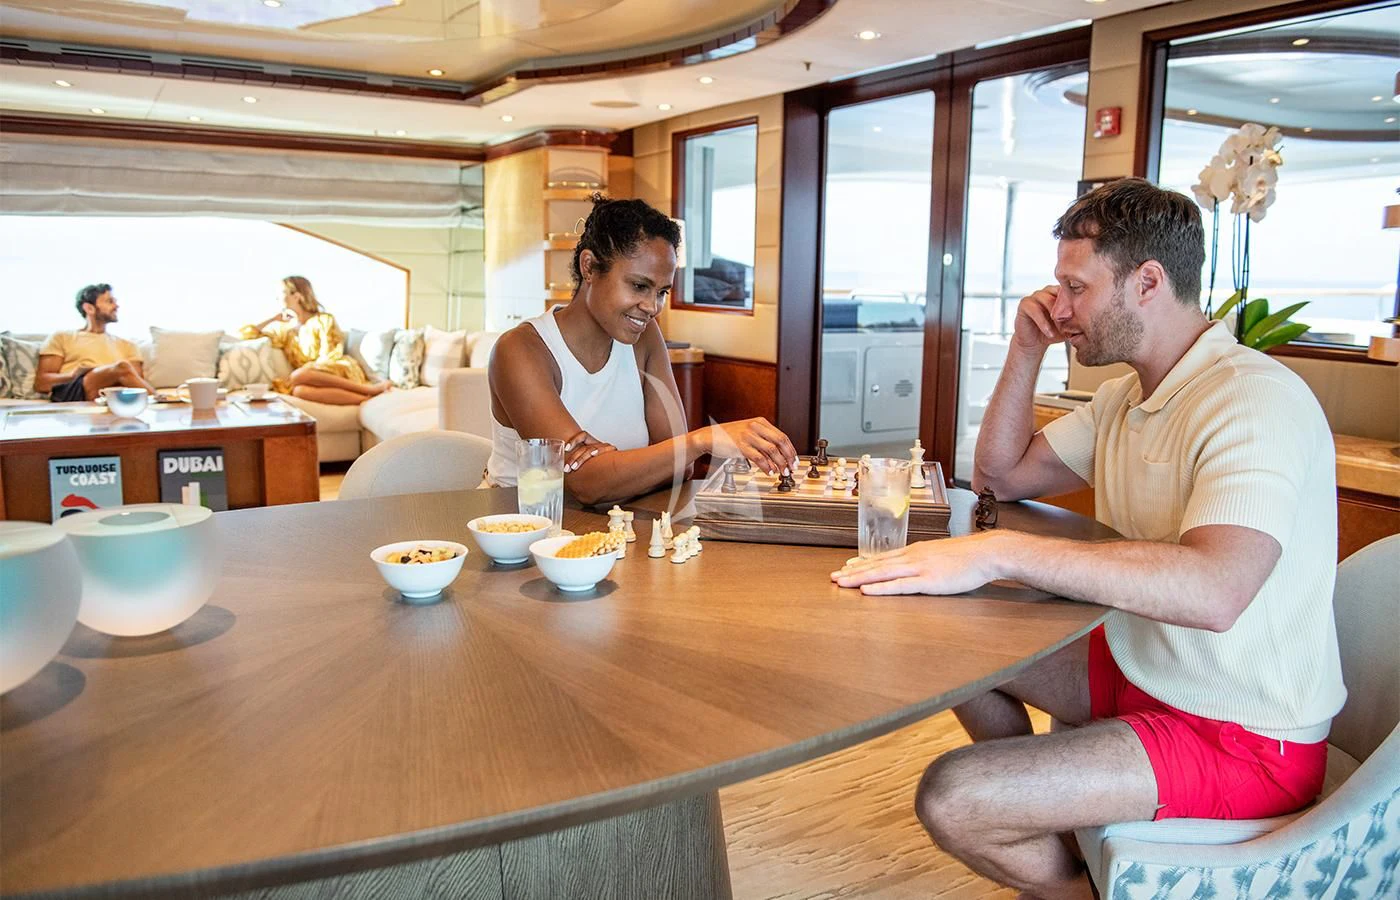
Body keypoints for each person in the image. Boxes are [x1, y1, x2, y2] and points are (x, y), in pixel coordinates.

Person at [832, 178, 1344, 899]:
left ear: (1147, 282)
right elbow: (1000, 475)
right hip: (1144, 671)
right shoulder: (1125, 397)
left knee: (953, 795)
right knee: (943, 629)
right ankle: (1052, 814)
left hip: (1242, 735)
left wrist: (998, 552)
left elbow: (1217, 589)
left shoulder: (1252, 400)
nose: (1060, 307)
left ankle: (1070, 887)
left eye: (1076, 286)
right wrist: (1023, 347)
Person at [487, 195, 798, 506]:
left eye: (662, 291)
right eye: (639, 286)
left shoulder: (645, 337)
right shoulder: (520, 350)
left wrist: (615, 466)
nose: (652, 307)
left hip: (610, 527)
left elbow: (682, 467)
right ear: (590, 267)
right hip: (515, 529)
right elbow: (587, 483)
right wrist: (700, 440)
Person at [243, 276, 385, 406]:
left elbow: (331, 355)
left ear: (297, 296)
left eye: (281, 293)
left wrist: (311, 372)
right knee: (299, 392)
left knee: (299, 375)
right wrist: (273, 318)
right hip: (308, 378)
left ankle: (369, 389)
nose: (277, 298)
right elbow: (246, 334)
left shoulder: (324, 320)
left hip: (337, 369)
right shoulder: (285, 331)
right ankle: (366, 399)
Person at [36, 284, 154, 402]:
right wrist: (73, 375)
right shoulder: (62, 337)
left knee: (121, 374)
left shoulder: (128, 345)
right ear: (89, 308)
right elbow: (42, 383)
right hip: (74, 389)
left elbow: (135, 382)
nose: (116, 306)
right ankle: (161, 402)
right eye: (110, 301)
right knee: (121, 367)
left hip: (113, 393)